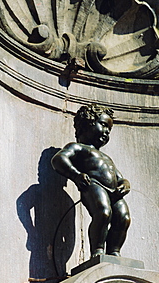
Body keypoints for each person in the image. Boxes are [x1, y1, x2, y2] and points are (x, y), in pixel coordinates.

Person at [51, 103, 131, 257]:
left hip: (114, 192)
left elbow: (119, 177)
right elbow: (59, 159)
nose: (107, 132)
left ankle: (114, 251)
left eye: (109, 129)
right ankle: (98, 250)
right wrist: (75, 175)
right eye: (103, 125)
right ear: (88, 123)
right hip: (93, 185)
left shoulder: (106, 157)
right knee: (103, 212)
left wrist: (125, 184)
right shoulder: (79, 148)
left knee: (123, 217)